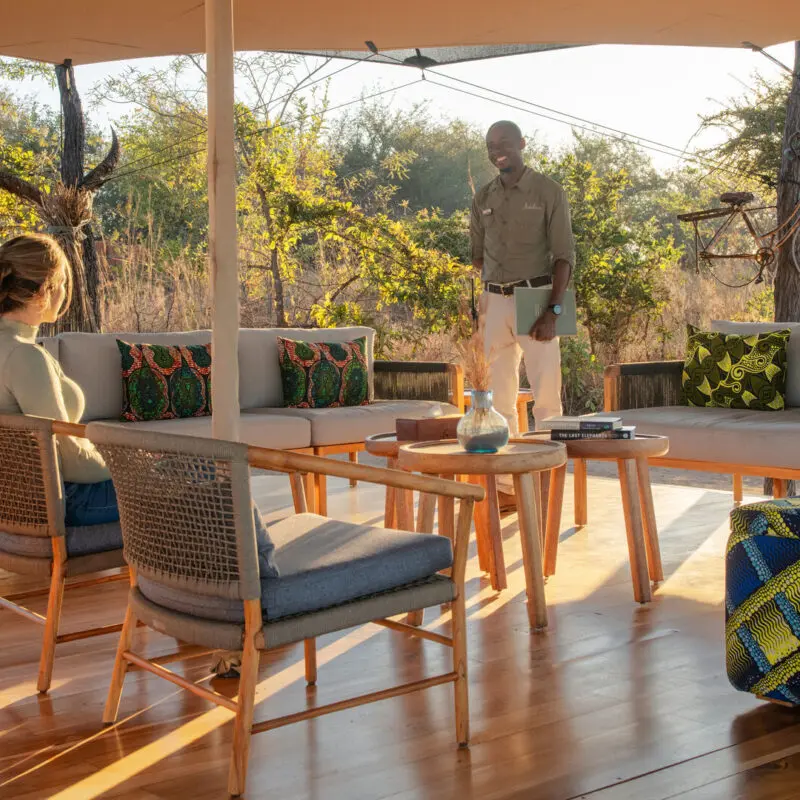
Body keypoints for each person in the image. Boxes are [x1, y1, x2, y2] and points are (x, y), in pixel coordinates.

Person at [470, 120, 576, 507]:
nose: (497, 150)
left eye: (505, 143)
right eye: (490, 144)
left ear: (522, 144)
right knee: (499, 401)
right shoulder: (482, 196)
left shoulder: (549, 191)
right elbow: (478, 255)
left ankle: (548, 489)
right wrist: (487, 302)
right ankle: (508, 490)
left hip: (539, 298)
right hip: (494, 301)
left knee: (547, 398)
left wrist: (554, 309)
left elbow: (565, 257)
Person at [0, 233, 118, 526]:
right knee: (213, 479)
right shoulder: (24, 357)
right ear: (44, 290)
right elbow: (71, 460)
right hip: (66, 501)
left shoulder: (13, 348)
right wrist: (124, 468)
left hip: (20, 501)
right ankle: (246, 566)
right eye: (63, 283)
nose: (66, 292)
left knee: (191, 477)